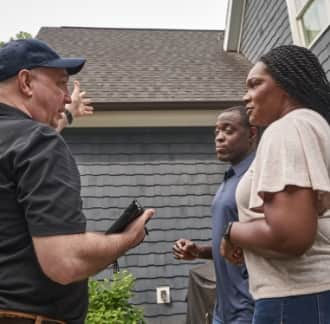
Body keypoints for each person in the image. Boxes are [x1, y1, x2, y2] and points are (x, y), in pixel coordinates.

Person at [0, 38, 154, 324]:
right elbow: (64, 262)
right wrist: (125, 239)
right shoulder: (38, 142)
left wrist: (66, 117)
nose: (67, 96)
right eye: (60, 83)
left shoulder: (20, 142)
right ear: (25, 83)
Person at [221, 45, 330, 324]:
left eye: (255, 84)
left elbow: (290, 237)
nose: (246, 96)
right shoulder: (313, 125)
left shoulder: (286, 129)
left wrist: (232, 232)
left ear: (286, 85)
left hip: (296, 300)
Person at [173, 106, 257, 324]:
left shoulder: (256, 178)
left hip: (249, 308)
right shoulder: (230, 177)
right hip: (223, 309)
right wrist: (199, 251)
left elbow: (269, 238)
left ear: (252, 134)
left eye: (228, 130)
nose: (219, 137)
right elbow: (233, 246)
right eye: (217, 132)